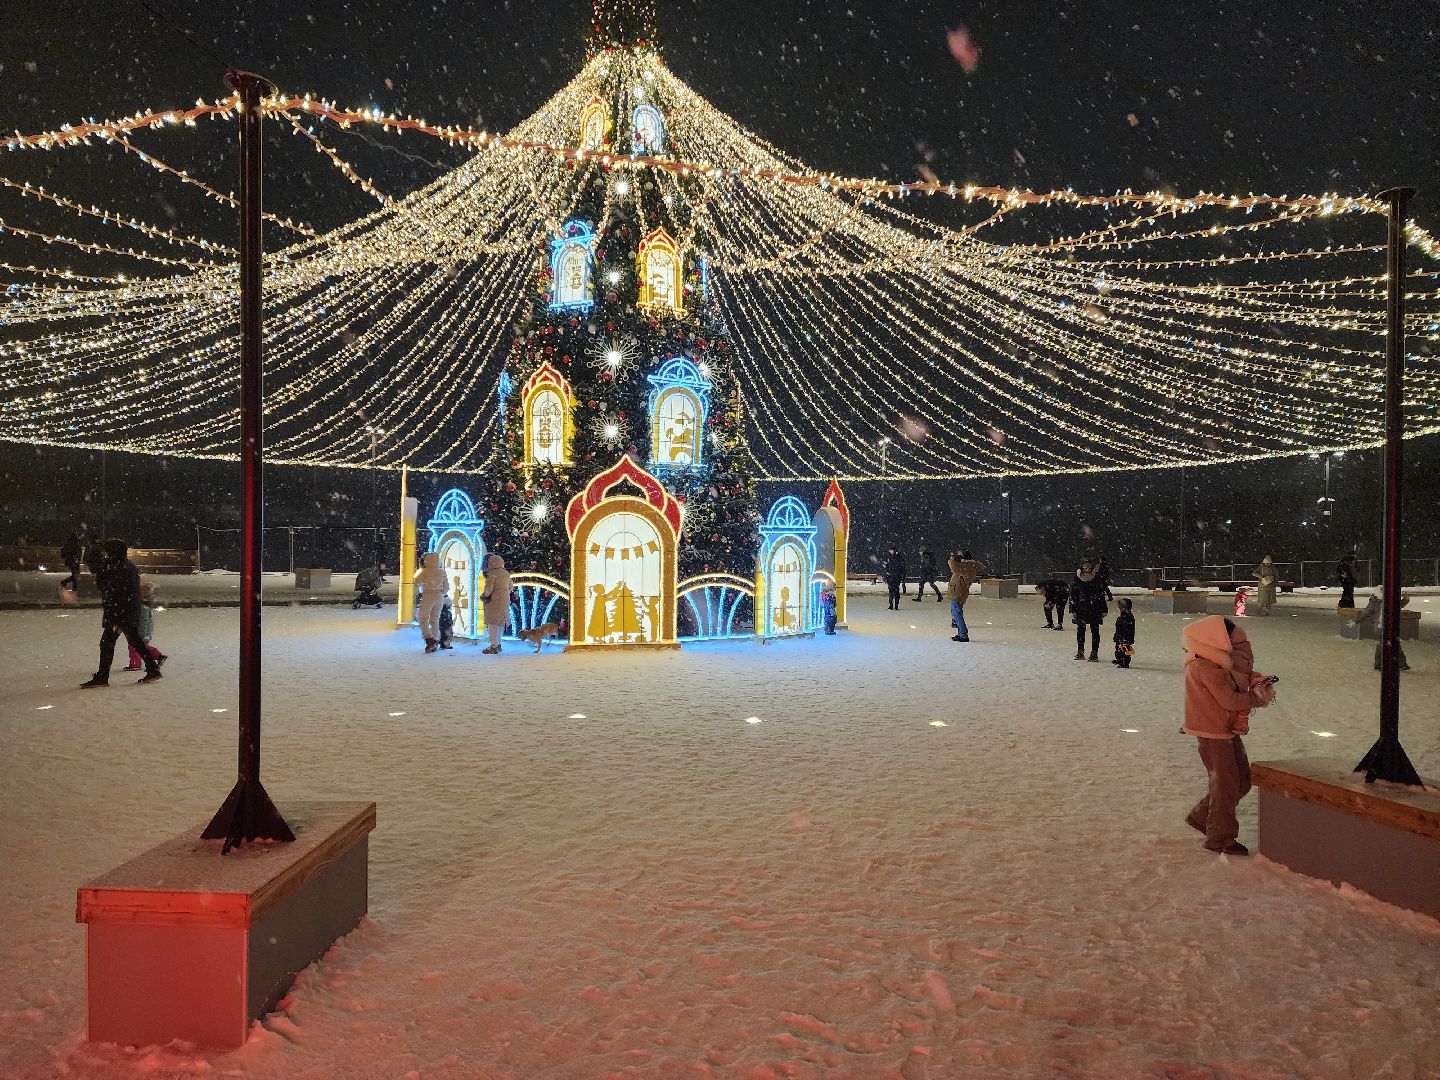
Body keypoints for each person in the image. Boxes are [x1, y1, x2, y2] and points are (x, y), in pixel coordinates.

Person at [1180, 615, 1274, 855]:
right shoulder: (1205, 665)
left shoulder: (1216, 662)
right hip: (1212, 732)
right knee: (1227, 785)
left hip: (1223, 729)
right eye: (1230, 639)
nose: (1233, 645)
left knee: (1241, 781)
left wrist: (1254, 682)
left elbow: (1235, 681)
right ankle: (1220, 837)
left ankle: (1202, 816)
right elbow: (1229, 700)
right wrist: (1256, 698)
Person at [81, 539, 163, 687]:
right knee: (135, 641)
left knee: (107, 643)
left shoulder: (116, 567)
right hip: (127, 611)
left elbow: (108, 589)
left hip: (119, 612)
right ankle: (153, 669)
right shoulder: (125, 565)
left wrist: (117, 619)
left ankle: (102, 676)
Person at [1353, 587, 1410, 672]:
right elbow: (1366, 612)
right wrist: (1356, 621)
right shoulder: (1375, 601)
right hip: (1381, 627)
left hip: (1389, 626)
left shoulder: (1390, 600)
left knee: (1390, 643)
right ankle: (1382, 664)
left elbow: (1399, 605)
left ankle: (1397, 664)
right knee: (1385, 644)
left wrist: (1405, 599)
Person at [1069, 559, 1109, 662]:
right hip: (1080, 609)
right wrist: (1072, 609)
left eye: (1089, 568)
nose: (1087, 570)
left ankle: (1094, 653)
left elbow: (1101, 595)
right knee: (1080, 631)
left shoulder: (1096, 579)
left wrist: (1103, 609)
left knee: (1095, 631)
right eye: (1085, 568)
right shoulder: (1077, 579)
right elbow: (1073, 595)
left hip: (1094, 608)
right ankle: (1080, 651)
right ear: (1081, 568)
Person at [123, 581, 167, 671]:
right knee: (142, 647)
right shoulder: (143, 606)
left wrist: (141, 634)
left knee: (135, 647)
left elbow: (144, 621)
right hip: (142, 631)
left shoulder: (143, 608)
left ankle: (136, 663)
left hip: (141, 632)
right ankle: (157, 656)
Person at [413, 551, 449, 653]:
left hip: (428, 595)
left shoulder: (423, 571)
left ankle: (429, 639)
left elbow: (416, 583)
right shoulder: (442, 572)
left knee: (422, 618)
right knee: (435, 619)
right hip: (439, 596)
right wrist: (441, 592)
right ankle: (436, 639)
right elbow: (446, 587)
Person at [946, 548, 984, 642]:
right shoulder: (969, 566)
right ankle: (961, 633)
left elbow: (954, 567)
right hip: (959, 592)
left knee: (957, 614)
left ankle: (963, 634)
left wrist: (952, 558)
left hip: (958, 592)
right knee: (957, 613)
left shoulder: (967, 566)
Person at [480, 553, 511, 655]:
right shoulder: (506, 573)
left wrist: (485, 596)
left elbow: (489, 588)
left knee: (492, 622)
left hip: (494, 599)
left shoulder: (492, 573)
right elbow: (511, 586)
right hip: (505, 598)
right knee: (500, 622)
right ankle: (498, 643)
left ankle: (493, 646)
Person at [59, 522, 89, 594]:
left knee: (75, 574)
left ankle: (71, 585)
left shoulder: (68, 543)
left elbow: (63, 551)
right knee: (76, 574)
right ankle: (70, 585)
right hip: (74, 560)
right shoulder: (75, 543)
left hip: (71, 561)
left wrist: (66, 556)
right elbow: (78, 551)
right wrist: (78, 557)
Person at [1111, 597, 1135, 668]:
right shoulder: (1123, 616)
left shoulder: (1127, 617)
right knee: (1118, 649)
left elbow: (1127, 628)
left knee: (1125, 650)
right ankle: (1119, 659)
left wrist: (1125, 637)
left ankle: (1124, 662)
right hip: (1120, 636)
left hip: (1125, 636)